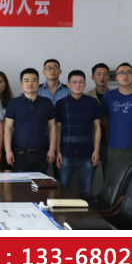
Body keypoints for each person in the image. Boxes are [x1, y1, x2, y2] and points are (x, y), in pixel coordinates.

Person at [55, 70, 102, 199]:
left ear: (85, 84)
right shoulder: (61, 104)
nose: (77, 85)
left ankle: (87, 213)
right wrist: (57, 151)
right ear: (68, 85)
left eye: (81, 82)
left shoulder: (92, 102)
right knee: (62, 190)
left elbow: (97, 128)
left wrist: (96, 150)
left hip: (87, 153)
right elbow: (57, 129)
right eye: (74, 82)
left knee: (86, 192)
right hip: (66, 152)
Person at [4, 68, 56, 173]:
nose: (30, 83)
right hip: (20, 154)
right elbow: (8, 128)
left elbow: (52, 127)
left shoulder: (47, 102)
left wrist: (52, 150)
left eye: (33, 80)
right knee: (20, 183)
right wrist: (8, 151)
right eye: (26, 80)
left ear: (38, 83)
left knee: (41, 183)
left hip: (42, 154)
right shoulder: (13, 103)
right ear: (21, 83)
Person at [85, 62, 111, 178]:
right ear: (92, 77)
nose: (102, 77)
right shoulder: (86, 96)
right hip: (90, 141)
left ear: (108, 76)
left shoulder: (115, 95)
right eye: (98, 74)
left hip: (110, 142)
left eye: (105, 74)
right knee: (88, 175)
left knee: (110, 175)